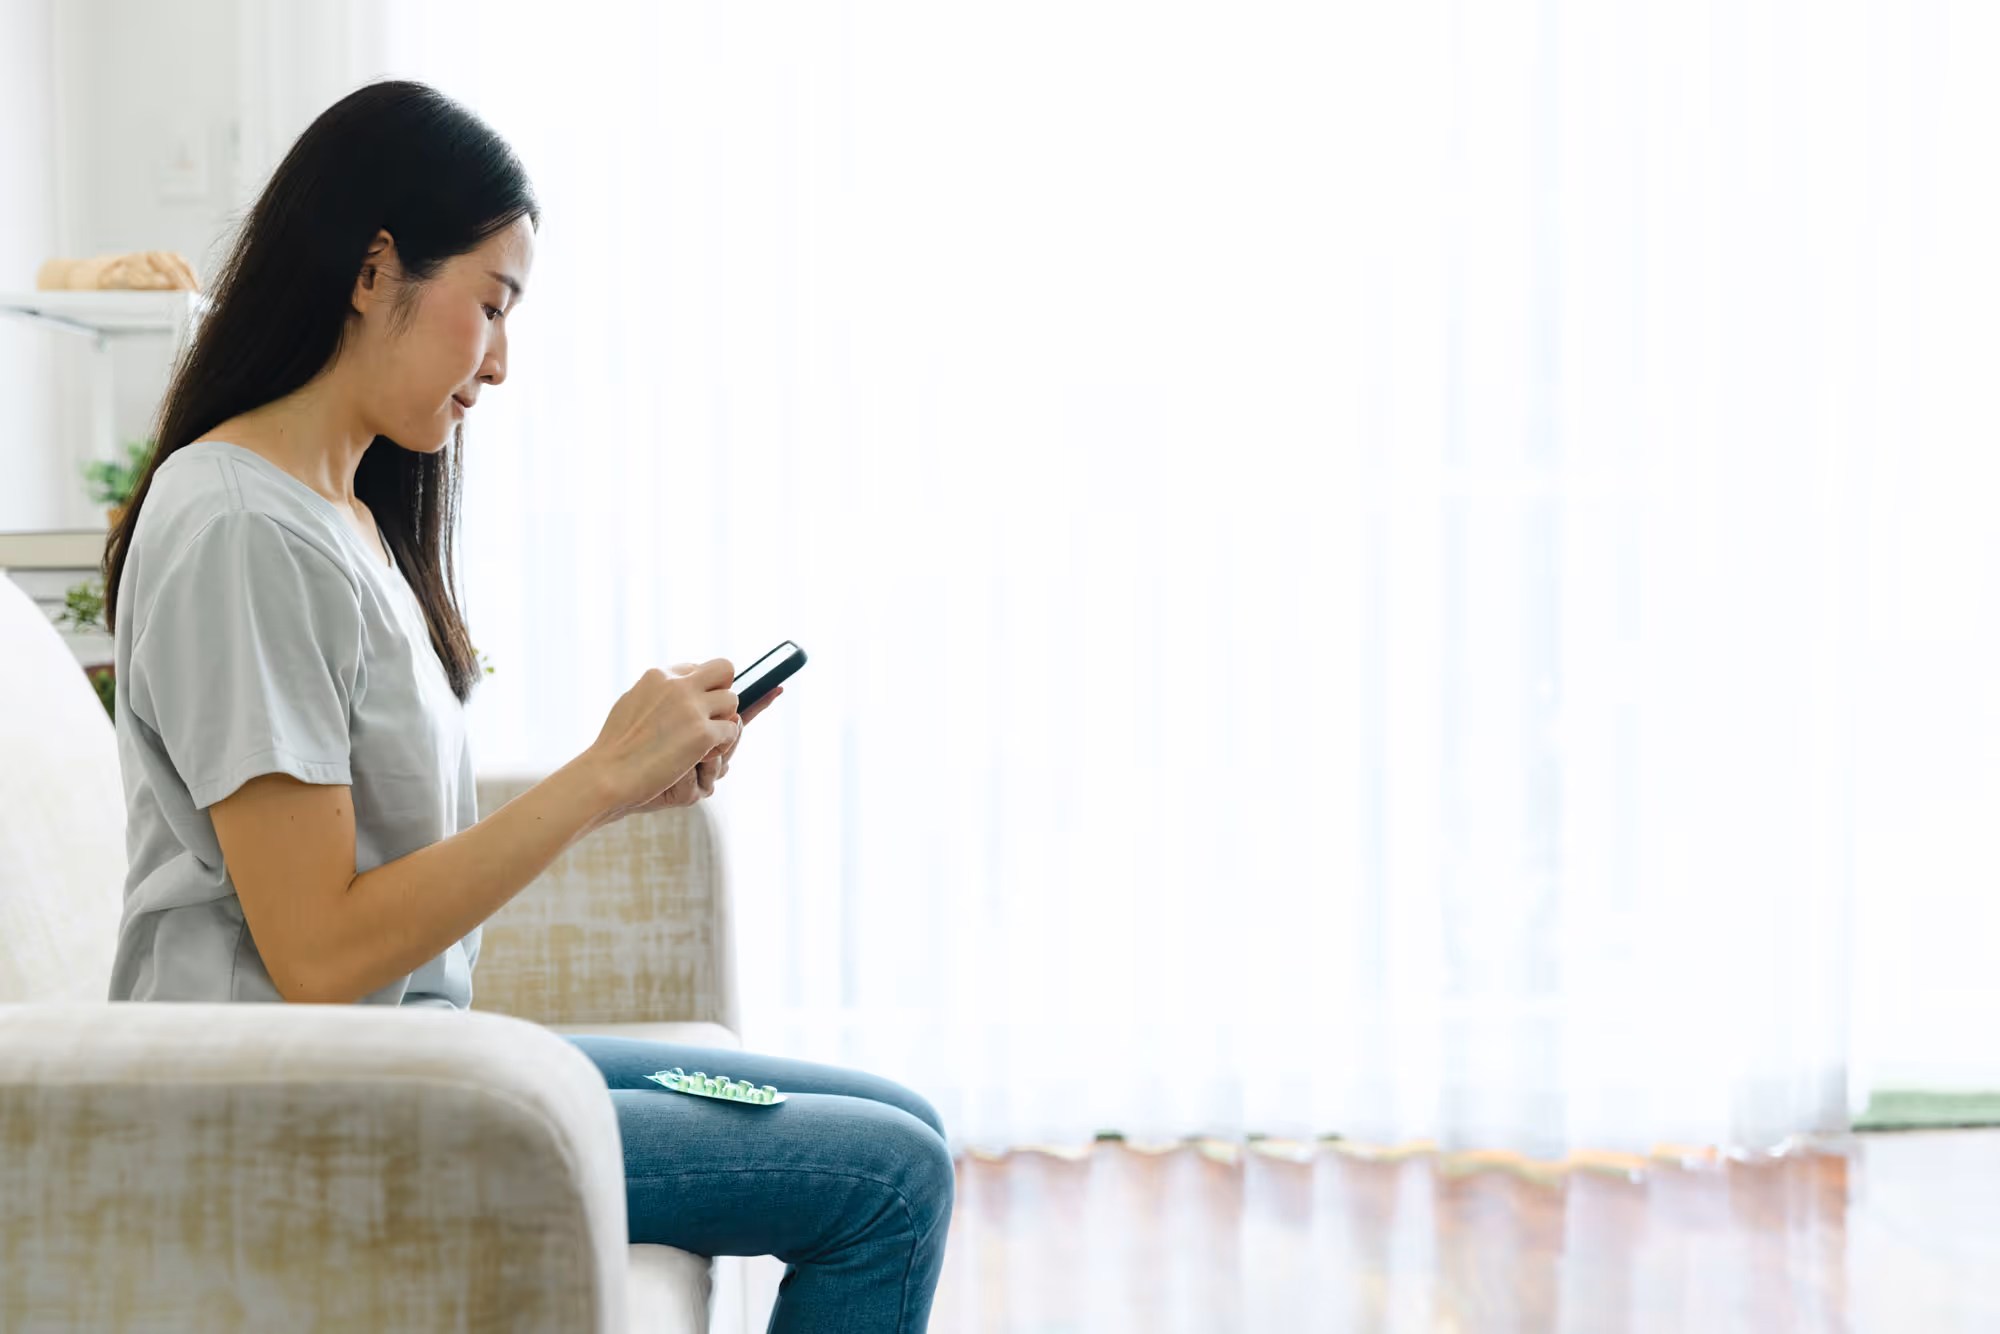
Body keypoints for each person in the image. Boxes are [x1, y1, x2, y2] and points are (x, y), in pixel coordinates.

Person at [101, 79, 951, 1332]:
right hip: (303, 1105)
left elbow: (376, 863)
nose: (500, 363)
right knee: (890, 1180)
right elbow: (321, 954)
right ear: (372, 266)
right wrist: (596, 775)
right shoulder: (239, 524)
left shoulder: (339, 514)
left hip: (409, 1061)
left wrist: (620, 789)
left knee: (902, 1120)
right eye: (490, 307)